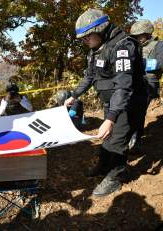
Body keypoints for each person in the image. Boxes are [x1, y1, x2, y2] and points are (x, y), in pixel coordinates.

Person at [64, 9, 147, 197]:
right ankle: (103, 165)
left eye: (87, 37)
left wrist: (110, 118)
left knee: (117, 139)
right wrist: (74, 95)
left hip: (127, 101)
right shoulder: (96, 48)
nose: (84, 42)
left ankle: (114, 177)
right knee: (106, 138)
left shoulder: (123, 47)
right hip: (110, 101)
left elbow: (124, 87)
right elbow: (90, 75)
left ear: (100, 30)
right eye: (82, 39)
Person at [128, 20, 163, 150]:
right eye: (135, 36)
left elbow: (160, 64)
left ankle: (135, 140)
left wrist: (140, 63)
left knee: (138, 109)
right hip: (132, 81)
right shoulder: (134, 46)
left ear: (148, 33)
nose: (137, 38)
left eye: (140, 35)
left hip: (149, 82)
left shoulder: (158, 45)